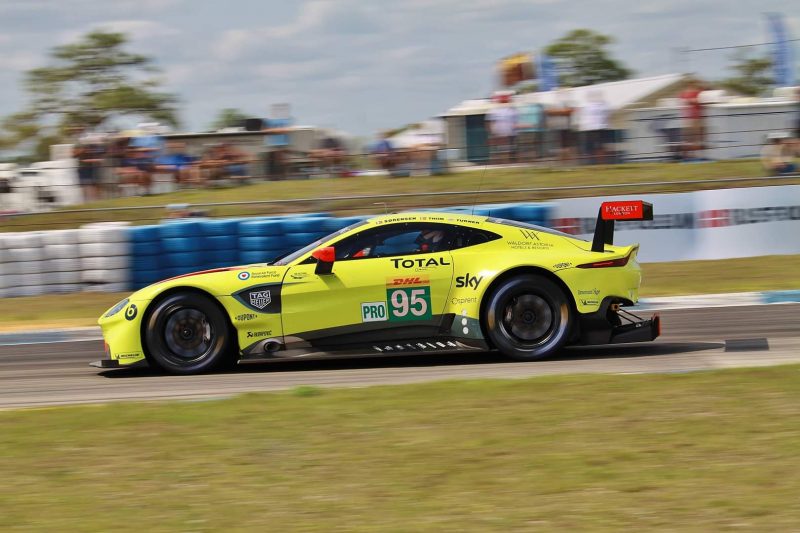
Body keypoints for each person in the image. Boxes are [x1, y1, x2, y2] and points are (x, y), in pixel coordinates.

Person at [73, 130, 106, 202]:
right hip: (83, 168)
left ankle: (98, 202)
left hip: (95, 168)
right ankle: (86, 203)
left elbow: (101, 155)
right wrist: (82, 150)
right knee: (85, 186)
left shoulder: (96, 145)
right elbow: (73, 155)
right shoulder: (78, 145)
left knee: (96, 185)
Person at [546, 88, 576, 166]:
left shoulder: (568, 101)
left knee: (566, 145)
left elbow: (570, 111)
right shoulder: (554, 103)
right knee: (560, 145)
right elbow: (548, 111)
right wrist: (561, 111)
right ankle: (562, 161)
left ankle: (566, 161)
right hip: (556, 126)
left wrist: (558, 112)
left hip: (566, 126)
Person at [579, 90, 610, 165]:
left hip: (593, 128)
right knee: (598, 146)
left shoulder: (587, 105)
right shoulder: (604, 104)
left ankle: (597, 162)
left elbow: (583, 116)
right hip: (596, 127)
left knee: (595, 146)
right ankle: (598, 162)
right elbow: (607, 115)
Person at [262, 103, 292, 180]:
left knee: (282, 162)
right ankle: (272, 178)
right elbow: (265, 130)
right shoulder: (268, 120)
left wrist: (274, 131)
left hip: (283, 144)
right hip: (271, 145)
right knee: (272, 162)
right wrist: (280, 130)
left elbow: (288, 130)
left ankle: (283, 177)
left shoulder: (287, 119)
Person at [486, 92, 517, 164]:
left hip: (510, 133)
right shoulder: (493, 110)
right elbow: (490, 122)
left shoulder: (512, 110)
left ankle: (508, 162)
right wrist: (492, 131)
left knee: (508, 149)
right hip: (499, 133)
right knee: (501, 149)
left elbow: (515, 121)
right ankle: (503, 163)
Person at [680, 79, 706, 159]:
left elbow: (700, 101)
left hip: (696, 117)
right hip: (690, 118)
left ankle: (693, 155)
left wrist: (693, 101)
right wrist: (692, 101)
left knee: (695, 137)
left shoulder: (699, 92)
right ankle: (688, 155)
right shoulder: (685, 93)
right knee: (690, 137)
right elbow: (685, 102)